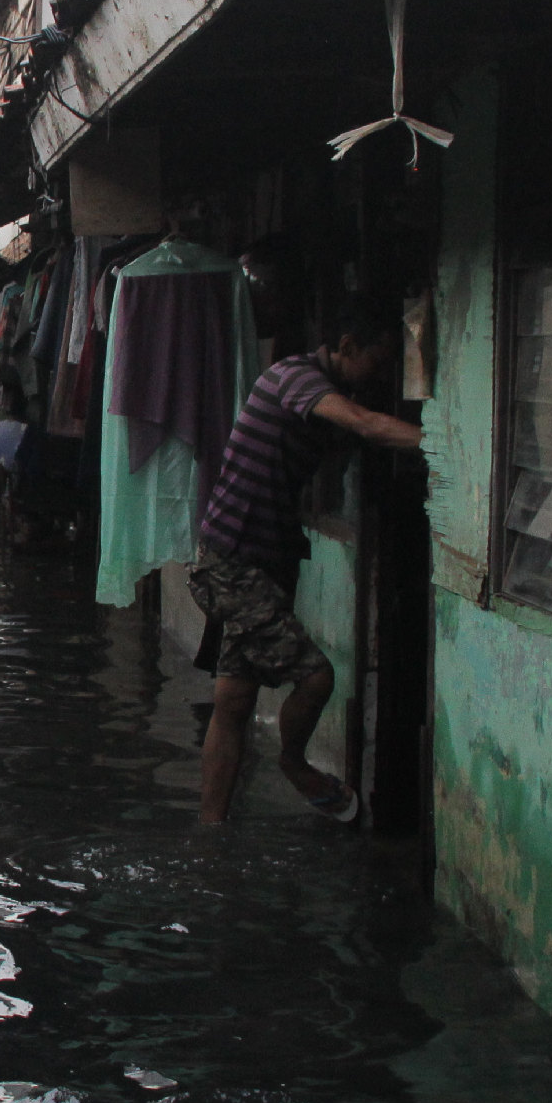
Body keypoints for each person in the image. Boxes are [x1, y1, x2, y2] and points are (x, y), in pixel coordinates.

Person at [193, 296, 422, 826]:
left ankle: (210, 829)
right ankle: (295, 765)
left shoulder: (314, 387)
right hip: (235, 561)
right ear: (347, 347)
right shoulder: (294, 379)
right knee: (316, 677)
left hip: (255, 560)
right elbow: (365, 424)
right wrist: (445, 444)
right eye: (378, 361)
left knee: (234, 700)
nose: (381, 374)